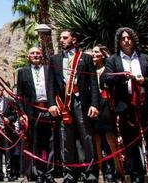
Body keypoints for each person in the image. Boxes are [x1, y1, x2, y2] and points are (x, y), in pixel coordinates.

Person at [103, 27, 148, 183]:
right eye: (123, 38)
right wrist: (122, 76)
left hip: (145, 105)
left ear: (134, 39)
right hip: (125, 106)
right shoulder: (112, 60)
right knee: (131, 143)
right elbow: (106, 80)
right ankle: (137, 176)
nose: (126, 40)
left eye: (129, 37)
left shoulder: (146, 58)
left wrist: (144, 80)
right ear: (119, 41)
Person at [48, 30, 99, 183]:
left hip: (82, 102)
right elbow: (51, 84)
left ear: (74, 40)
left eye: (65, 38)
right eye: (61, 38)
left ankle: (90, 173)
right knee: (65, 139)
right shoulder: (55, 59)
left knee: (87, 138)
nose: (62, 40)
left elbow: (93, 84)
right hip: (63, 104)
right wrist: (51, 104)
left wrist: (94, 104)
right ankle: (69, 174)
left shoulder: (86, 58)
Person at [15, 46, 55, 183]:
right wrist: (21, 114)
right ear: (28, 57)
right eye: (32, 53)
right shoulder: (22, 72)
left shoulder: (49, 69)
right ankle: (38, 173)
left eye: (38, 53)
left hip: (49, 110)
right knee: (35, 143)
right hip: (32, 112)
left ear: (42, 56)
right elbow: (19, 95)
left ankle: (49, 173)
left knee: (51, 143)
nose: (36, 55)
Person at [91, 45, 120, 183]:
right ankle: (101, 171)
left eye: (96, 52)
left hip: (107, 106)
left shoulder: (108, 69)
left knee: (110, 138)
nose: (93, 54)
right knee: (96, 139)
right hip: (93, 106)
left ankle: (117, 171)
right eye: (92, 52)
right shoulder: (90, 70)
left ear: (103, 54)